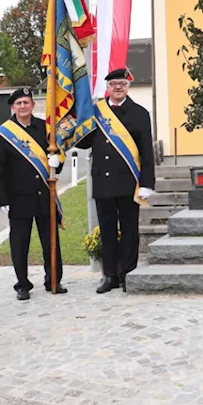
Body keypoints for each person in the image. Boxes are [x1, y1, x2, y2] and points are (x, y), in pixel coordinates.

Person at [76, 69, 156, 294]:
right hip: (104, 180)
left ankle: (128, 272)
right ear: (107, 88)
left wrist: (147, 182)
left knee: (129, 229)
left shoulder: (139, 113)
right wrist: (71, 124)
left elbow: (146, 152)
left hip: (128, 180)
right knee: (107, 230)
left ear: (127, 86)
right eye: (113, 84)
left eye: (121, 83)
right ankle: (110, 275)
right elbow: (84, 142)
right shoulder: (95, 112)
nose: (118, 87)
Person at [0, 88, 65, 298]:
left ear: (33, 105)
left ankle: (53, 279)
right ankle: (22, 285)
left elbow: (57, 156)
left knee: (50, 240)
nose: (23, 107)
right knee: (20, 243)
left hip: (44, 194)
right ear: (12, 108)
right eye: (18, 104)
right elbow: (0, 168)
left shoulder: (45, 127)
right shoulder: (3, 133)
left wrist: (56, 162)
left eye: (26, 102)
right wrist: (3, 198)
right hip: (19, 197)